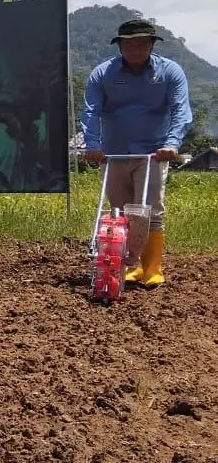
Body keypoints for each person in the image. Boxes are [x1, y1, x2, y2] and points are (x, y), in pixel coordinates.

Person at [80, 18, 192, 288]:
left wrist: (172, 144)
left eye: (142, 43)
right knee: (119, 211)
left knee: (150, 210)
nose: (135, 48)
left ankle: (152, 269)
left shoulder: (170, 72)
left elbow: (180, 110)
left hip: (153, 153)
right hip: (113, 153)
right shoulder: (103, 74)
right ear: (119, 46)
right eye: (128, 44)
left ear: (152, 44)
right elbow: (91, 111)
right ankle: (126, 263)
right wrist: (92, 145)